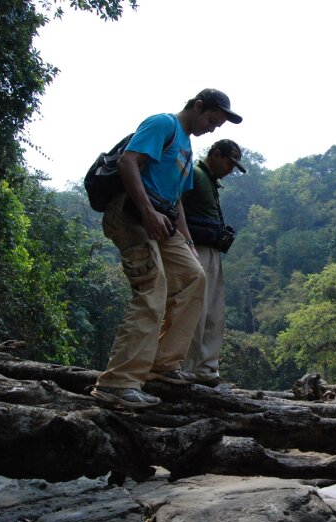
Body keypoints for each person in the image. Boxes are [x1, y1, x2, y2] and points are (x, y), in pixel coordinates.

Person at [91, 88, 243, 409]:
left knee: (193, 276)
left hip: (164, 219)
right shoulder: (163, 124)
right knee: (153, 288)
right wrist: (146, 209)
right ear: (198, 106)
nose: (213, 128)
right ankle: (118, 383)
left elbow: (177, 202)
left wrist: (186, 241)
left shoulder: (186, 147)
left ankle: (163, 365)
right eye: (212, 120)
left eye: (218, 125)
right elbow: (128, 162)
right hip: (132, 213)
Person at [180, 139, 246, 387]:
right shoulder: (195, 174)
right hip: (195, 247)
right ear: (215, 154)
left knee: (213, 311)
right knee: (196, 310)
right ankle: (187, 367)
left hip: (211, 248)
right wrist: (186, 243)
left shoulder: (209, 180)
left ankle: (206, 368)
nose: (230, 169)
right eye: (229, 162)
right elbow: (177, 207)